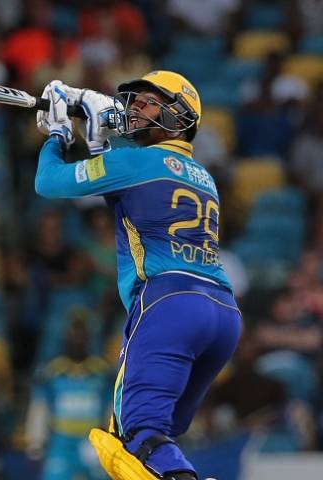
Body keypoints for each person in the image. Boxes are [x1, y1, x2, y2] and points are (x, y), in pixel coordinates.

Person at [34, 71, 242, 479]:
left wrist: (59, 135)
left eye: (148, 102)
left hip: (168, 305)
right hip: (223, 314)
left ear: (180, 116)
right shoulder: (204, 177)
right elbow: (125, 195)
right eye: (134, 101)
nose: (134, 109)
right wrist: (97, 136)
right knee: (155, 439)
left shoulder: (134, 161)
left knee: (137, 436)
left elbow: (48, 182)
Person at [26, 318, 112, 480]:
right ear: (66, 339)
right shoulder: (51, 371)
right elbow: (40, 408)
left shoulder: (102, 371)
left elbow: (111, 408)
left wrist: (113, 441)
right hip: (61, 443)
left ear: (88, 339)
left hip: (93, 441)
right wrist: (35, 445)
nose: (77, 341)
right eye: (73, 337)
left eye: (81, 337)